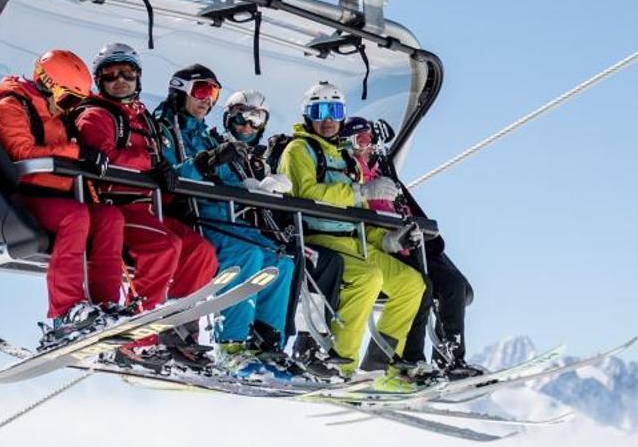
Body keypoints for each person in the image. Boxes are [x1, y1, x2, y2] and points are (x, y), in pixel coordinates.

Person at [73, 43, 217, 368]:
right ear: (100, 80)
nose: (120, 80)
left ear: (138, 77)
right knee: (163, 247)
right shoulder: (95, 114)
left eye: (127, 73)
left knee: (201, 252)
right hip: (116, 203)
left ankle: (178, 331)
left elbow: (153, 160)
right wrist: (150, 163)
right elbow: (104, 158)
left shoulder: (142, 117)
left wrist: (164, 173)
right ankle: (138, 339)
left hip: (149, 206)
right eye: (111, 75)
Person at [276, 82, 426, 391]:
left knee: (412, 284)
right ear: (307, 115)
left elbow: (357, 212)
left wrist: (388, 241)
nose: (328, 120)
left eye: (336, 111)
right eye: (320, 112)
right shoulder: (299, 150)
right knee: (367, 277)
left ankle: (380, 365)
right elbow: (306, 191)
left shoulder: (345, 158)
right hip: (319, 236)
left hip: (355, 240)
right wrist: (359, 191)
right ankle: (340, 362)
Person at [163, 87, 315, 377]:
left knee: (281, 261)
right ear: (227, 119)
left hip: (238, 222)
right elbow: (179, 172)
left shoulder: (247, 155)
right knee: (247, 256)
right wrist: (214, 163)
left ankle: (267, 345)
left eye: (255, 120)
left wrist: (266, 185)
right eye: (240, 118)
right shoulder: (212, 143)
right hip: (206, 218)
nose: (247, 126)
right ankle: (230, 344)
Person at [0, 49, 125, 347]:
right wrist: (77, 153)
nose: (68, 108)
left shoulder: (56, 116)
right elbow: (19, 153)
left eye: (75, 102)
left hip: (61, 193)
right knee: (74, 217)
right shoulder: (11, 107)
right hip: (24, 198)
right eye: (68, 100)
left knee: (111, 218)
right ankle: (66, 312)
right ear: (47, 84)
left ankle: (105, 306)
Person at [341, 117, 486, 380]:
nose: (369, 146)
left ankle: (450, 358)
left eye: (371, 139)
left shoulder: (382, 170)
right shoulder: (352, 177)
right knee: (422, 288)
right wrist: (388, 238)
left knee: (454, 285)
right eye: (362, 140)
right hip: (386, 246)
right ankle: (407, 359)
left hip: (414, 243)